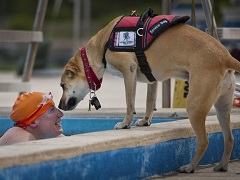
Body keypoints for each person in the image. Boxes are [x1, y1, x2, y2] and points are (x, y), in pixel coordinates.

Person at [0, 92, 64, 146]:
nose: (61, 114)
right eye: (52, 110)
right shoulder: (22, 138)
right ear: (33, 122)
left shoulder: (49, 134)